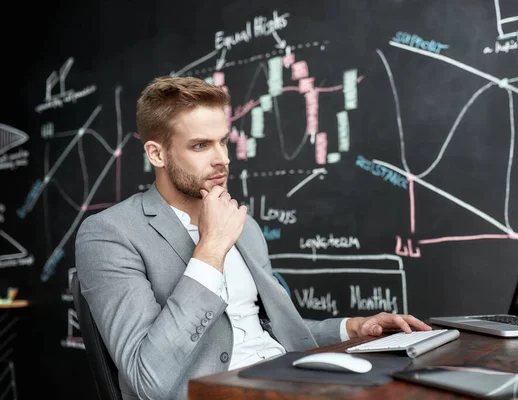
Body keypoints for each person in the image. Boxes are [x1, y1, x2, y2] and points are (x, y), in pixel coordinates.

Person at [74, 76, 432, 400]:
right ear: (157, 153)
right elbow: (146, 378)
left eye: (223, 142)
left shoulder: (244, 224)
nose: (222, 160)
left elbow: (259, 326)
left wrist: (350, 327)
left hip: (289, 380)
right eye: (200, 146)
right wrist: (211, 249)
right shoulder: (110, 233)